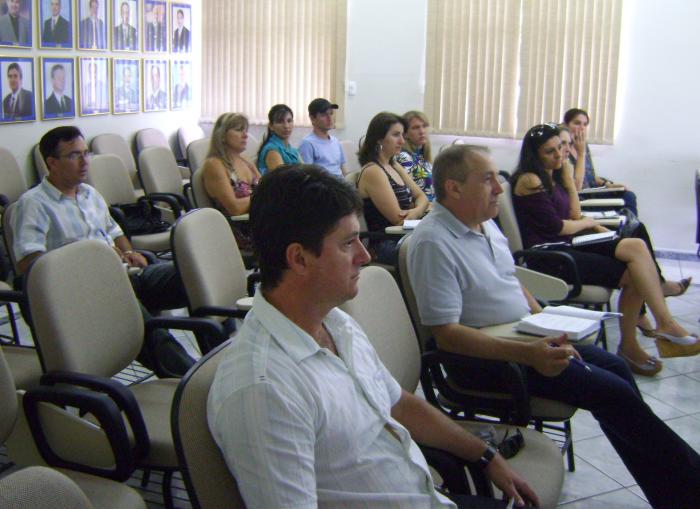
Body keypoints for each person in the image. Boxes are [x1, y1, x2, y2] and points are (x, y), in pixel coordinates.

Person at [207, 164, 539, 509]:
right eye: (349, 243)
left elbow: (396, 401)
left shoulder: (336, 322)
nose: (364, 257)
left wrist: (485, 455)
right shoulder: (264, 390)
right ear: (299, 258)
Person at [407, 143, 700, 509]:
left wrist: (544, 317)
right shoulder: (434, 243)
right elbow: (447, 337)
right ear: (454, 188)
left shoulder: (482, 224)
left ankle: (674, 492)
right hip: (489, 364)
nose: (500, 188)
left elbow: (509, 279)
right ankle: (689, 489)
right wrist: (529, 352)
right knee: (614, 395)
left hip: (522, 339)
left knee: (617, 370)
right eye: (488, 180)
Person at [511, 123, 699, 367]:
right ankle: (633, 345)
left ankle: (662, 323)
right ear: (534, 154)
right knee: (634, 274)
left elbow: (574, 214)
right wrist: (587, 222)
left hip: (567, 245)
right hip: (549, 256)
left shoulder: (552, 174)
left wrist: (568, 182)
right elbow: (559, 227)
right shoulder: (530, 179)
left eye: (560, 148)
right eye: (550, 151)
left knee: (636, 247)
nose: (559, 155)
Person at [11, 126, 195, 376]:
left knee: (191, 277)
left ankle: (220, 349)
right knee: (145, 327)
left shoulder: (90, 194)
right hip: (87, 292)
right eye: (75, 155)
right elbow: (27, 263)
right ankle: (188, 379)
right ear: (52, 162)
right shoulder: (33, 204)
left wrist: (128, 252)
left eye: (86, 153)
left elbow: (115, 232)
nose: (85, 161)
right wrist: (82, 264)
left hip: (124, 274)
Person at [356, 112, 429, 264]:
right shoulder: (373, 171)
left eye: (402, 135)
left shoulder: (394, 165)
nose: (402, 141)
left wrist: (415, 211)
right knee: (437, 254)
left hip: (405, 237)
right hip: (385, 244)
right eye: (396, 135)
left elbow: (422, 197)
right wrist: (419, 209)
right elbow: (398, 219)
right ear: (379, 139)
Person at [563, 107, 638, 216]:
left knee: (628, 195)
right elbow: (576, 185)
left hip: (594, 192)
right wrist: (581, 154)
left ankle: (630, 225)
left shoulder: (583, 146)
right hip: (581, 198)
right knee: (621, 209)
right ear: (566, 125)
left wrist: (607, 184)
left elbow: (591, 176)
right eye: (577, 123)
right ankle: (628, 226)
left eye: (585, 124)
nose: (582, 128)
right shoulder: (564, 150)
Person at [202, 113, 261, 251]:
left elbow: (267, 187)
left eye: (245, 130)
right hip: (240, 231)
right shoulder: (214, 164)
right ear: (222, 135)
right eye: (239, 130)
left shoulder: (245, 160)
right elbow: (235, 208)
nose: (245, 135)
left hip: (258, 220)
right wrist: (261, 196)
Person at [298, 98, 346, 177]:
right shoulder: (307, 143)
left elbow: (343, 170)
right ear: (312, 118)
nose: (330, 118)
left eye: (331, 113)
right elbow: (307, 176)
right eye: (324, 115)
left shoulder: (336, 141)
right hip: (323, 186)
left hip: (340, 185)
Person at [397, 110, 435, 201]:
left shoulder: (422, 154)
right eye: (415, 128)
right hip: (421, 209)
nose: (422, 131)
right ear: (405, 134)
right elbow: (407, 195)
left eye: (424, 126)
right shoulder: (404, 157)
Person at [256, 104, 302, 173]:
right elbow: (282, 180)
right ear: (271, 126)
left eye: (289, 121)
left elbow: (307, 172)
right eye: (280, 122)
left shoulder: (293, 150)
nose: (286, 126)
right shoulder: (272, 150)